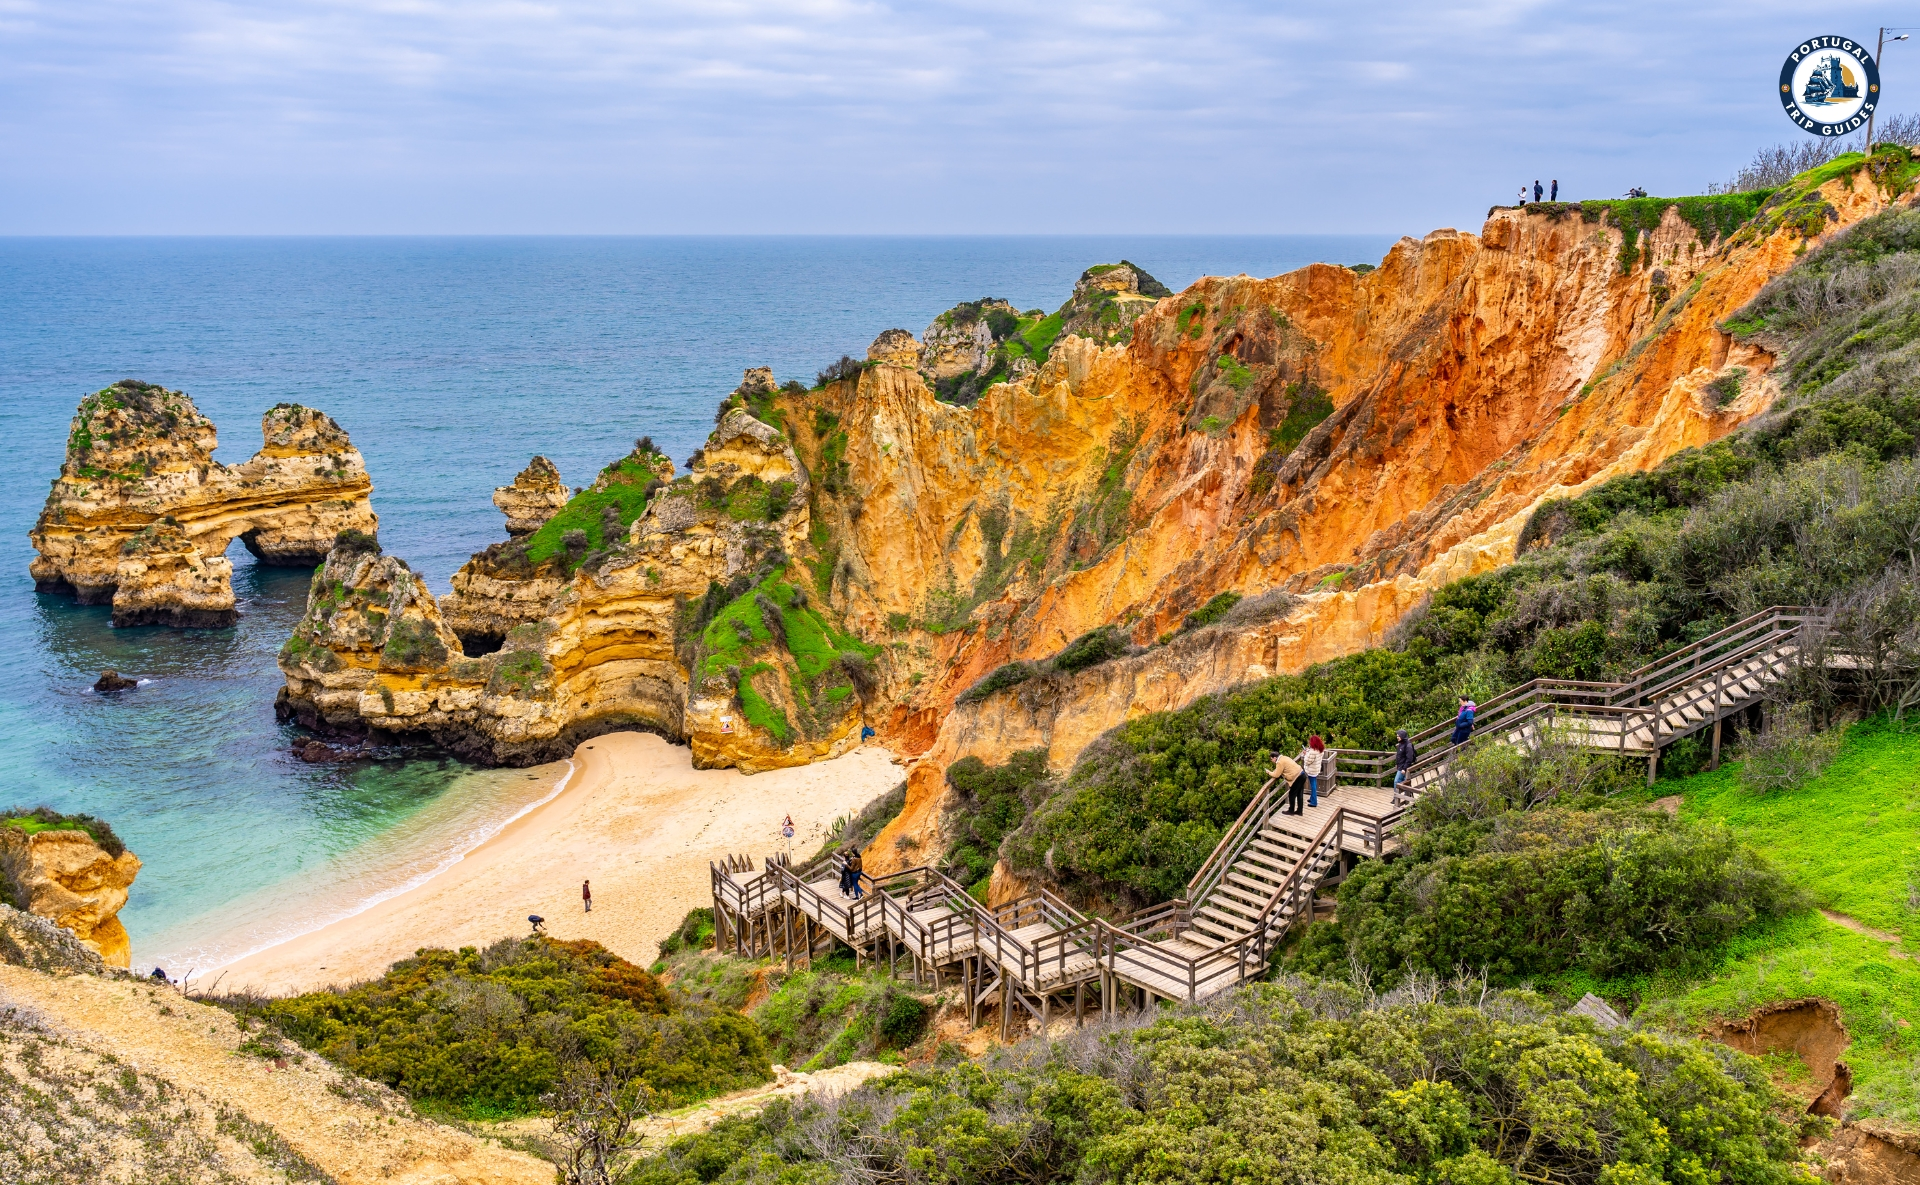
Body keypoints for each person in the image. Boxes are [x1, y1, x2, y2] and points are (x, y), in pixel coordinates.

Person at [1268, 749, 1306, 815]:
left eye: (1271, 759)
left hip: (1297, 777)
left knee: (1292, 794)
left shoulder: (1279, 762)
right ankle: (1299, 811)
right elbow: (1279, 770)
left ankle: (1291, 811)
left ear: (1275, 757)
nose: (1272, 761)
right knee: (1299, 794)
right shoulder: (1284, 757)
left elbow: (1276, 775)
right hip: (1302, 774)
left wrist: (1269, 772)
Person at [1300, 735, 1328, 809]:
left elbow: (1308, 761)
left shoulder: (1313, 751)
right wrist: (1308, 752)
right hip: (1316, 769)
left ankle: (1314, 802)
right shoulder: (1320, 749)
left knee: (1313, 785)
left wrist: (1305, 754)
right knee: (1314, 784)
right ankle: (1312, 798)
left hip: (1311, 770)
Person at [1392, 729, 1417, 804]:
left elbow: (1409, 758)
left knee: (1397, 782)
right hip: (1400, 766)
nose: (1397, 737)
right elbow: (1400, 756)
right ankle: (1405, 799)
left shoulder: (1408, 745)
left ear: (1402, 736)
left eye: (1398, 736)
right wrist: (1397, 763)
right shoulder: (1400, 744)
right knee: (1405, 783)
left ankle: (1397, 798)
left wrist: (1404, 768)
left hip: (1404, 768)